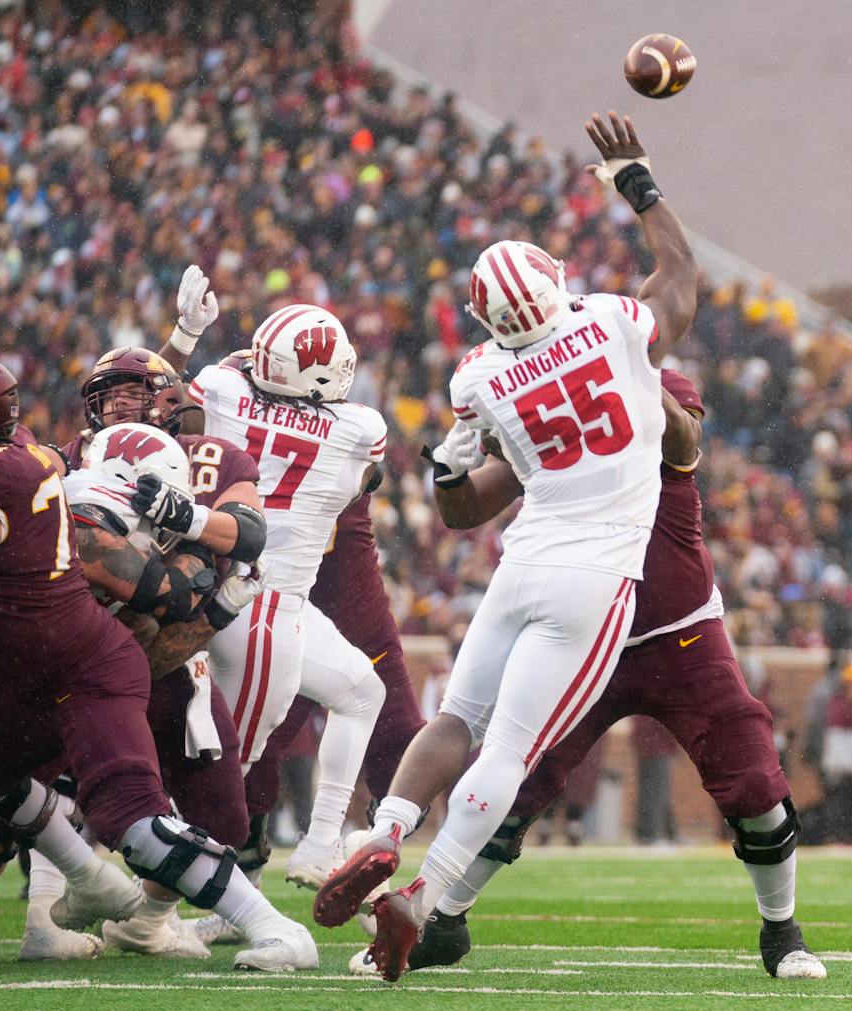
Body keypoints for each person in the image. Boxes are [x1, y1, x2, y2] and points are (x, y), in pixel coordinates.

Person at [314, 111, 698, 982]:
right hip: (596, 575)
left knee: (456, 718)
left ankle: (380, 834)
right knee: (509, 752)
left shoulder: (480, 375)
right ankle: (421, 897)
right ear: (556, 287)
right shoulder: (608, 323)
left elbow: (462, 503)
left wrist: (447, 469)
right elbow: (680, 276)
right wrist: (635, 179)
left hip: (521, 563)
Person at [349, 369, 824, 981]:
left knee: (755, 780)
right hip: (580, 629)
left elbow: (681, 438)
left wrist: (626, 366)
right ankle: (444, 921)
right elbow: (466, 509)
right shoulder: (559, 426)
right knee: (515, 778)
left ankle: (782, 929)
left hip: (675, 631)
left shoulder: (646, 394)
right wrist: (450, 467)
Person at [0, 351, 316, 971]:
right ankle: (74, 886)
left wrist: (186, 531)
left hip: (95, 667)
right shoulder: (51, 460)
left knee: (137, 815)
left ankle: (272, 927)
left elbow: (188, 580)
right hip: (42, 668)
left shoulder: (35, 482)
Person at [171, 291, 389, 889]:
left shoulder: (222, 389)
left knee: (362, 691)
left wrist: (196, 342)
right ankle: (154, 909)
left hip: (224, 585)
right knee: (227, 770)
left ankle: (319, 847)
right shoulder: (359, 428)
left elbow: (181, 405)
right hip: (263, 603)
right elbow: (363, 482)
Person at [60, 345, 269, 957]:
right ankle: (46, 909)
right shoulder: (72, 454)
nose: (119, 405)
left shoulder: (210, 456)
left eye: (133, 392)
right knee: (49, 782)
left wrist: (187, 518)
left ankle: (144, 919)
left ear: (170, 402)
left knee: (226, 817)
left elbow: (250, 535)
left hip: (174, 649)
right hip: (86, 637)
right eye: (110, 394)